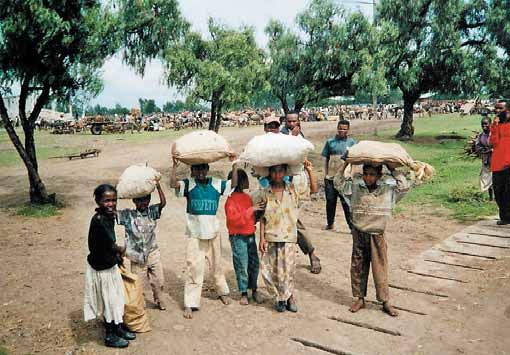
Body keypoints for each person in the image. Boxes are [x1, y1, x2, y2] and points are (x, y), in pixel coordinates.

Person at [337, 164, 410, 317]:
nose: (368, 177)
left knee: (380, 267)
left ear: (379, 176)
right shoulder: (356, 189)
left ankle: (385, 301)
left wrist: (392, 169)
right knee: (358, 267)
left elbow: (404, 186)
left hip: (377, 234)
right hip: (359, 232)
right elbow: (337, 183)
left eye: (372, 174)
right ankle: (359, 298)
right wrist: (344, 164)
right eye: (366, 174)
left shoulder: (387, 191)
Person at [170, 150, 233, 319]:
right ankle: (190, 303)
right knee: (193, 266)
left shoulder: (216, 183)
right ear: (192, 171)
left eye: (203, 169)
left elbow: (232, 184)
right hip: (195, 233)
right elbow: (173, 185)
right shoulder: (189, 184)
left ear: (207, 169)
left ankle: (222, 292)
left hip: (213, 232)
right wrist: (174, 167)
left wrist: (234, 163)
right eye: (196, 170)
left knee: (217, 264)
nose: (200, 173)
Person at [259, 162, 318, 312]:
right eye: (274, 171)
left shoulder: (292, 190)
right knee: (270, 270)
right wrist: (261, 238)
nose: (277, 174)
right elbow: (262, 217)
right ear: (269, 173)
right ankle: (279, 297)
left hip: (288, 237)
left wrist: (310, 171)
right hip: (271, 236)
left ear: (285, 172)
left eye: (280, 171)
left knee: (288, 270)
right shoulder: (265, 192)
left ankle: (289, 296)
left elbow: (314, 190)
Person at [83, 184, 136, 348]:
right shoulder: (99, 221)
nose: (111, 204)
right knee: (109, 301)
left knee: (116, 299)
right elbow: (110, 244)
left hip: (108, 264)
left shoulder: (107, 216)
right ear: (98, 201)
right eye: (106, 200)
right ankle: (110, 335)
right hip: (102, 268)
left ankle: (117, 326)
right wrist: (123, 250)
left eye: (113, 200)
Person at [272, 112, 322, 274]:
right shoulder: (283, 136)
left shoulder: (299, 135)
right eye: (289, 121)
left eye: (294, 121)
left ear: (298, 121)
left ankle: (311, 252)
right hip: (283, 180)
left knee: (292, 218)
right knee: (287, 218)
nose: (292, 123)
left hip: (297, 182)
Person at [117, 181, 167, 310]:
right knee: (138, 283)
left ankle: (159, 299)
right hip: (136, 256)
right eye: (139, 200)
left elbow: (163, 204)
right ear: (134, 201)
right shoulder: (128, 215)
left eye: (145, 200)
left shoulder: (152, 211)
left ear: (149, 199)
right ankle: (139, 305)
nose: (143, 203)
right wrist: (116, 194)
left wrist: (158, 187)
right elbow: (113, 213)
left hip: (152, 253)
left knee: (159, 280)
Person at [225, 168, 265, 305]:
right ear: (238, 182)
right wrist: (250, 210)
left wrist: (259, 212)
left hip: (250, 235)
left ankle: (254, 289)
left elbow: (251, 219)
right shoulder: (230, 201)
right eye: (245, 178)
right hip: (238, 237)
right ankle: (243, 292)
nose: (248, 181)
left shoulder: (248, 198)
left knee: (254, 264)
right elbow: (234, 220)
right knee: (242, 264)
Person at [321, 120, 357, 231]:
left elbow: (354, 161)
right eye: (340, 128)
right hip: (331, 177)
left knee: (346, 203)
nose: (342, 130)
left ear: (348, 130)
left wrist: (352, 174)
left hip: (345, 178)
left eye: (345, 129)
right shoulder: (330, 142)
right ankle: (330, 223)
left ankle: (352, 227)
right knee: (330, 201)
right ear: (337, 128)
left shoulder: (352, 143)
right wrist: (326, 174)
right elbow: (326, 159)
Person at [490, 104, 510, 225]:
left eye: (501, 109)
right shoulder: (496, 125)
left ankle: (506, 217)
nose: (498, 111)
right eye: (496, 109)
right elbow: (494, 142)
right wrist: (495, 126)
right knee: (498, 191)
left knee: (508, 191)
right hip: (498, 162)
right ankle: (504, 215)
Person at [475, 117, 493, 200]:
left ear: (490, 124)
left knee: (497, 179)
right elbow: (477, 147)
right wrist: (485, 150)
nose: (484, 126)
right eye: (482, 124)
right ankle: (491, 197)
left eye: (486, 124)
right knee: (487, 177)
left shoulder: (495, 134)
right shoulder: (481, 136)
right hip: (486, 160)